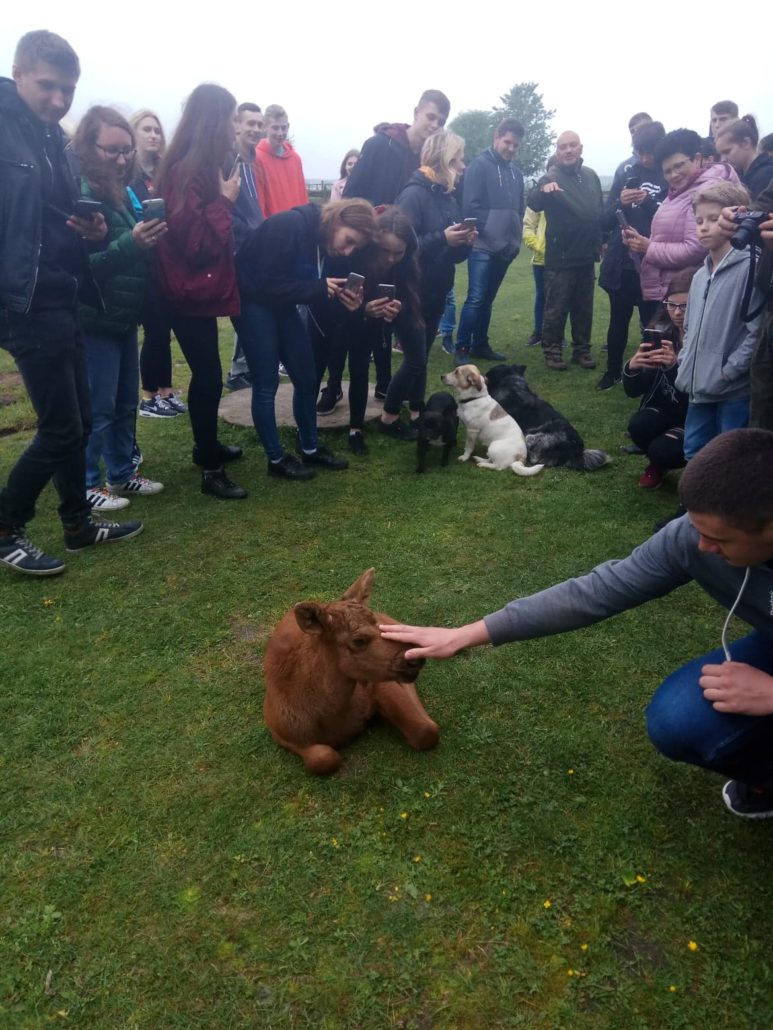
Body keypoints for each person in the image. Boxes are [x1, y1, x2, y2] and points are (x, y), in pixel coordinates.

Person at [382, 428, 773, 819]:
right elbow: (595, 592)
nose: (701, 546)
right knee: (679, 720)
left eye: (717, 538)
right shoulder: (689, 538)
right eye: (696, 527)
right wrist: (464, 634)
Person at [0, 30, 143, 577]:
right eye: (48, 86)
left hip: (64, 290)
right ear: (18, 74)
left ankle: (78, 523)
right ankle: (6, 523)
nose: (59, 100)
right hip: (23, 300)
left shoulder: (53, 140)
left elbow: (55, 217)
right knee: (61, 427)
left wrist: (94, 227)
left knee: (80, 420)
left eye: (69, 89)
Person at [235, 199, 375, 479]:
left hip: (282, 306)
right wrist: (317, 288)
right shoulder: (289, 225)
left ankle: (310, 448)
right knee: (266, 383)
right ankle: (276, 459)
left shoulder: (325, 243)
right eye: (348, 240)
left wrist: (343, 301)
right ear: (336, 219)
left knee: (306, 376)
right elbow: (261, 283)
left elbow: (312, 292)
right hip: (252, 304)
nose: (347, 251)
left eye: (354, 247)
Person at [155, 83, 247, 500]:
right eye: (230, 118)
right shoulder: (189, 171)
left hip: (196, 294)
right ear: (214, 121)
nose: (234, 126)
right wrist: (225, 202)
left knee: (207, 374)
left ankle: (205, 448)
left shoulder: (199, 166)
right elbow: (195, 246)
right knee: (208, 376)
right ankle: (210, 468)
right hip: (186, 294)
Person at [73, 105, 165, 511]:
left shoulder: (120, 190)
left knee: (127, 401)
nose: (122, 158)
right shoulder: (80, 193)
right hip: (96, 317)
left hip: (123, 315)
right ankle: (88, 483)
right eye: (112, 150)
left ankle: (123, 473)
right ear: (86, 145)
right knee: (99, 405)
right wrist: (134, 243)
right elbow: (83, 268)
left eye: (126, 150)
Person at [674, 182, 761, 461]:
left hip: (732, 390)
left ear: (736, 216)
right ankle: (693, 504)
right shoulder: (699, 277)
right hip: (698, 386)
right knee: (694, 451)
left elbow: (755, 331)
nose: (704, 227)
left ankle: (726, 506)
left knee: (729, 456)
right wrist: (686, 358)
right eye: (699, 220)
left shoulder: (753, 267)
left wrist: (730, 370)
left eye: (713, 219)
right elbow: (688, 327)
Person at [624, 129, 740, 306]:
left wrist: (648, 247)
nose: (673, 175)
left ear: (697, 158)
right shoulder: (680, 192)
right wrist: (641, 243)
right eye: (667, 171)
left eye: (679, 166)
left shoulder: (705, 193)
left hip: (688, 292)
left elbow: (696, 248)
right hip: (672, 289)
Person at [396, 129, 474, 387]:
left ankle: (416, 411)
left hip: (438, 289)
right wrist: (443, 238)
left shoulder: (447, 196)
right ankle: (390, 412)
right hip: (412, 291)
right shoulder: (412, 195)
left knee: (421, 359)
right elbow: (402, 250)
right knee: (416, 360)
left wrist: (464, 244)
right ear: (444, 160)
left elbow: (451, 255)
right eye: (458, 160)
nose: (463, 166)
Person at [597, 121, 666, 390]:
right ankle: (613, 370)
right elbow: (603, 220)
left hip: (655, 262)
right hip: (624, 264)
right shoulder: (627, 173)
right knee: (618, 320)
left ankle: (651, 376)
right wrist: (619, 203)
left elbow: (671, 216)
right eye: (640, 152)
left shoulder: (668, 174)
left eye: (649, 152)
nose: (645, 158)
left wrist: (647, 201)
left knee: (652, 324)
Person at [528, 130, 603, 372]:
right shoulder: (550, 176)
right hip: (560, 258)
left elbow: (598, 212)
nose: (568, 150)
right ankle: (552, 351)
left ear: (580, 148)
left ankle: (582, 350)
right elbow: (533, 201)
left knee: (584, 309)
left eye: (572, 145)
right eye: (563, 147)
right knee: (555, 309)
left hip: (585, 255)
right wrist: (543, 190)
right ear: (557, 151)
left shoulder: (591, 176)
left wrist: (601, 241)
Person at [454, 118, 526, 365]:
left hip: (505, 248)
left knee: (488, 299)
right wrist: (490, 228)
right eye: (507, 142)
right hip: (482, 246)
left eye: (516, 145)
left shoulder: (517, 174)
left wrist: (513, 237)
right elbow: (469, 207)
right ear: (497, 138)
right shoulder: (479, 166)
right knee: (475, 297)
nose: (511, 148)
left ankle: (480, 345)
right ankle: (461, 347)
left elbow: (519, 208)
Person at [128, 108, 184, 420]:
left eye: (157, 130)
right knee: (155, 330)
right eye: (146, 129)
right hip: (141, 262)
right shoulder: (127, 175)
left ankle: (166, 390)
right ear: (134, 133)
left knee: (164, 329)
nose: (153, 135)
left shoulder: (163, 174)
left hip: (165, 260)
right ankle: (149, 396)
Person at [622, 268, 694, 489]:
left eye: (684, 306)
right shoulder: (659, 332)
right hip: (661, 409)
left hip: (689, 414)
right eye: (671, 305)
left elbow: (691, 394)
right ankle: (657, 462)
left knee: (662, 450)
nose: (677, 313)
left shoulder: (700, 338)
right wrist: (633, 367)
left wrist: (674, 366)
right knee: (638, 425)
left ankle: (671, 462)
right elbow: (634, 391)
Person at [344, 90, 450, 206]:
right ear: (416, 113)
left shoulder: (432, 161)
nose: (435, 125)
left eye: (441, 122)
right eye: (430, 117)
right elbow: (349, 198)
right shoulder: (378, 145)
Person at [225, 102, 266, 392]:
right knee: (247, 311)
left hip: (254, 248)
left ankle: (249, 367)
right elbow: (226, 210)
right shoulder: (229, 162)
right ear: (236, 125)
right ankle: (239, 371)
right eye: (249, 123)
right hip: (237, 252)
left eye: (258, 124)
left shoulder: (250, 162)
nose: (255, 129)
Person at [253, 104, 308, 217]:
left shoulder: (295, 159)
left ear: (288, 126)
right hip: (273, 228)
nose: (280, 133)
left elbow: (302, 195)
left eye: (283, 128)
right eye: (275, 128)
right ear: (265, 127)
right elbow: (260, 202)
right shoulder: (257, 158)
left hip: (296, 226)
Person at [715, 117, 773, 203]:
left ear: (746, 143)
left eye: (727, 152)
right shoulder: (742, 176)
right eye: (721, 154)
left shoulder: (766, 175)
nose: (723, 159)